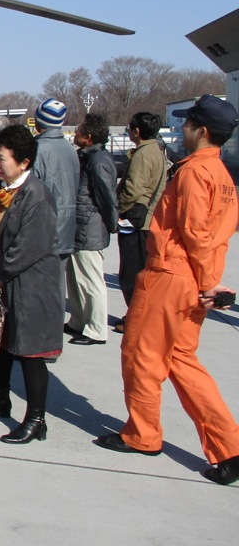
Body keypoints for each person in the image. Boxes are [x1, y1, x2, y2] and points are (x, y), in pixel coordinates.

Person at [97, 95, 239, 486]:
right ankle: (230, 448)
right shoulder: (223, 176)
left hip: (171, 275)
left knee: (142, 354)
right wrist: (209, 282)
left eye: (188, 123)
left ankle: (143, 434)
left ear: (202, 130)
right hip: (192, 279)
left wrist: (209, 283)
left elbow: (194, 233)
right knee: (181, 360)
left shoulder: (194, 173)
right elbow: (214, 238)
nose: (183, 129)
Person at [0, 125, 61, 444]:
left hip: (30, 287)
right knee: (0, 344)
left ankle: (36, 418)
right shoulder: (2, 192)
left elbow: (29, 246)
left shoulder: (36, 195)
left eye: (2, 158)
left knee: (31, 354)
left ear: (24, 163)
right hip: (2, 281)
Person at [114, 111, 168, 334]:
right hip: (149, 219)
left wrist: (120, 210)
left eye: (129, 128)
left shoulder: (143, 154)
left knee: (131, 273)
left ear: (137, 132)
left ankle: (137, 319)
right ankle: (142, 316)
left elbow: (132, 189)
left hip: (137, 221)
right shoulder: (158, 150)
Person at [65, 113, 117, 345]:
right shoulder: (87, 157)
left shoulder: (98, 161)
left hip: (89, 227)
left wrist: (111, 224)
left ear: (88, 137)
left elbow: (107, 198)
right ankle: (79, 319)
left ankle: (97, 329)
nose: (74, 135)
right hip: (80, 224)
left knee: (91, 280)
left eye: (78, 132)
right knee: (76, 278)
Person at [31, 98, 79, 309]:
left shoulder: (38, 150)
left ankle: (42, 336)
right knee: (57, 286)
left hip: (42, 229)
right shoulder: (70, 150)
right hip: (66, 226)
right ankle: (54, 336)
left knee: (37, 288)